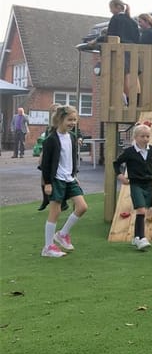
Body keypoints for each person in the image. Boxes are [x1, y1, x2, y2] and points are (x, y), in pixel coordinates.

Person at [40, 105, 88, 257]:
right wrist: (47, 183)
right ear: (60, 119)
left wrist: (74, 175)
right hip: (56, 180)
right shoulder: (51, 140)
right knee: (55, 212)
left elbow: (72, 159)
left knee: (82, 207)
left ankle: (62, 234)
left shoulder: (72, 137)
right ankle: (48, 247)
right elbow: (45, 164)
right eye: (69, 120)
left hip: (70, 178)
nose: (73, 123)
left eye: (75, 120)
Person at [113, 123, 152, 251]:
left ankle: (136, 238)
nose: (145, 139)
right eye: (142, 136)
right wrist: (120, 176)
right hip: (135, 184)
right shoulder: (129, 152)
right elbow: (116, 163)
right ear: (135, 137)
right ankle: (142, 238)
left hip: (148, 184)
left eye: (147, 136)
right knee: (141, 210)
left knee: (143, 210)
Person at [103, 0, 140, 103]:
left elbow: (110, 35)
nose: (110, 11)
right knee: (134, 75)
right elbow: (137, 38)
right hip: (133, 51)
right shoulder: (133, 21)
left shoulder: (115, 19)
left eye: (111, 8)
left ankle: (129, 101)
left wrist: (99, 40)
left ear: (118, 7)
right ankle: (137, 101)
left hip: (122, 51)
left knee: (125, 76)